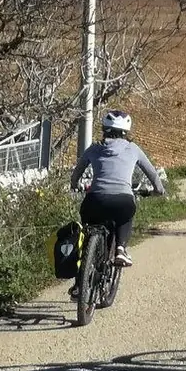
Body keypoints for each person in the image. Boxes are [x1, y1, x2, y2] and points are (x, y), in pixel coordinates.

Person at [69, 111, 165, 268]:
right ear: (126, 132)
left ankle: (84, 264)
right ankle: (120, 249)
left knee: (88, 228)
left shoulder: (94, 148)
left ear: (104, 129)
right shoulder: (133, 149)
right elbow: (152, 173)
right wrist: (158, 190)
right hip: (123, 200)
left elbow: (77, 172)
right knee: (125, 215)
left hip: (95, 200)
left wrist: (74, 185)